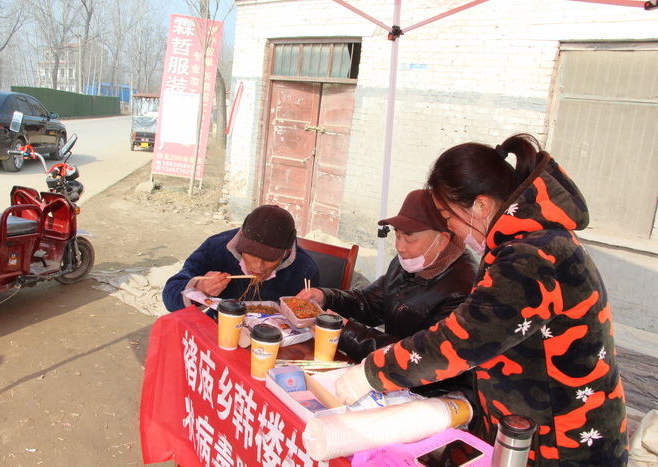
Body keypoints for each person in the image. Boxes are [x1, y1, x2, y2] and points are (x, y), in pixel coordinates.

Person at [334, 134, 628, 465]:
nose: (452, 230)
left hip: (565, 444)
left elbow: (462, 339)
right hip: (525, 426)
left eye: (448, 217)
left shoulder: (532, 257)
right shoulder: (529, 243)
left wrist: (371, 373)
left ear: (482, 207)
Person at [298, 189, 477, 367]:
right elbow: (369, 303)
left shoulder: (463, 287)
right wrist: (327, 298)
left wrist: (347, 334)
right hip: (389, 372)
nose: (400, 247)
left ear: (441, 241)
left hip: (430, 387)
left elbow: (423, 357)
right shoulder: (408, 261)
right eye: (397, 235)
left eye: (409, 239)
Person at [162, 204, 321, 313]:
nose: (258, 266)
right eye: (251, 253)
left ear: (286, 252)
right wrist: (199, 289)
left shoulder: (304, 268)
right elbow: (170, 296)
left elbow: (313, 314)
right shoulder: (217, 248)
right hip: (219, 329)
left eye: (269, 258)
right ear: (241, 240)